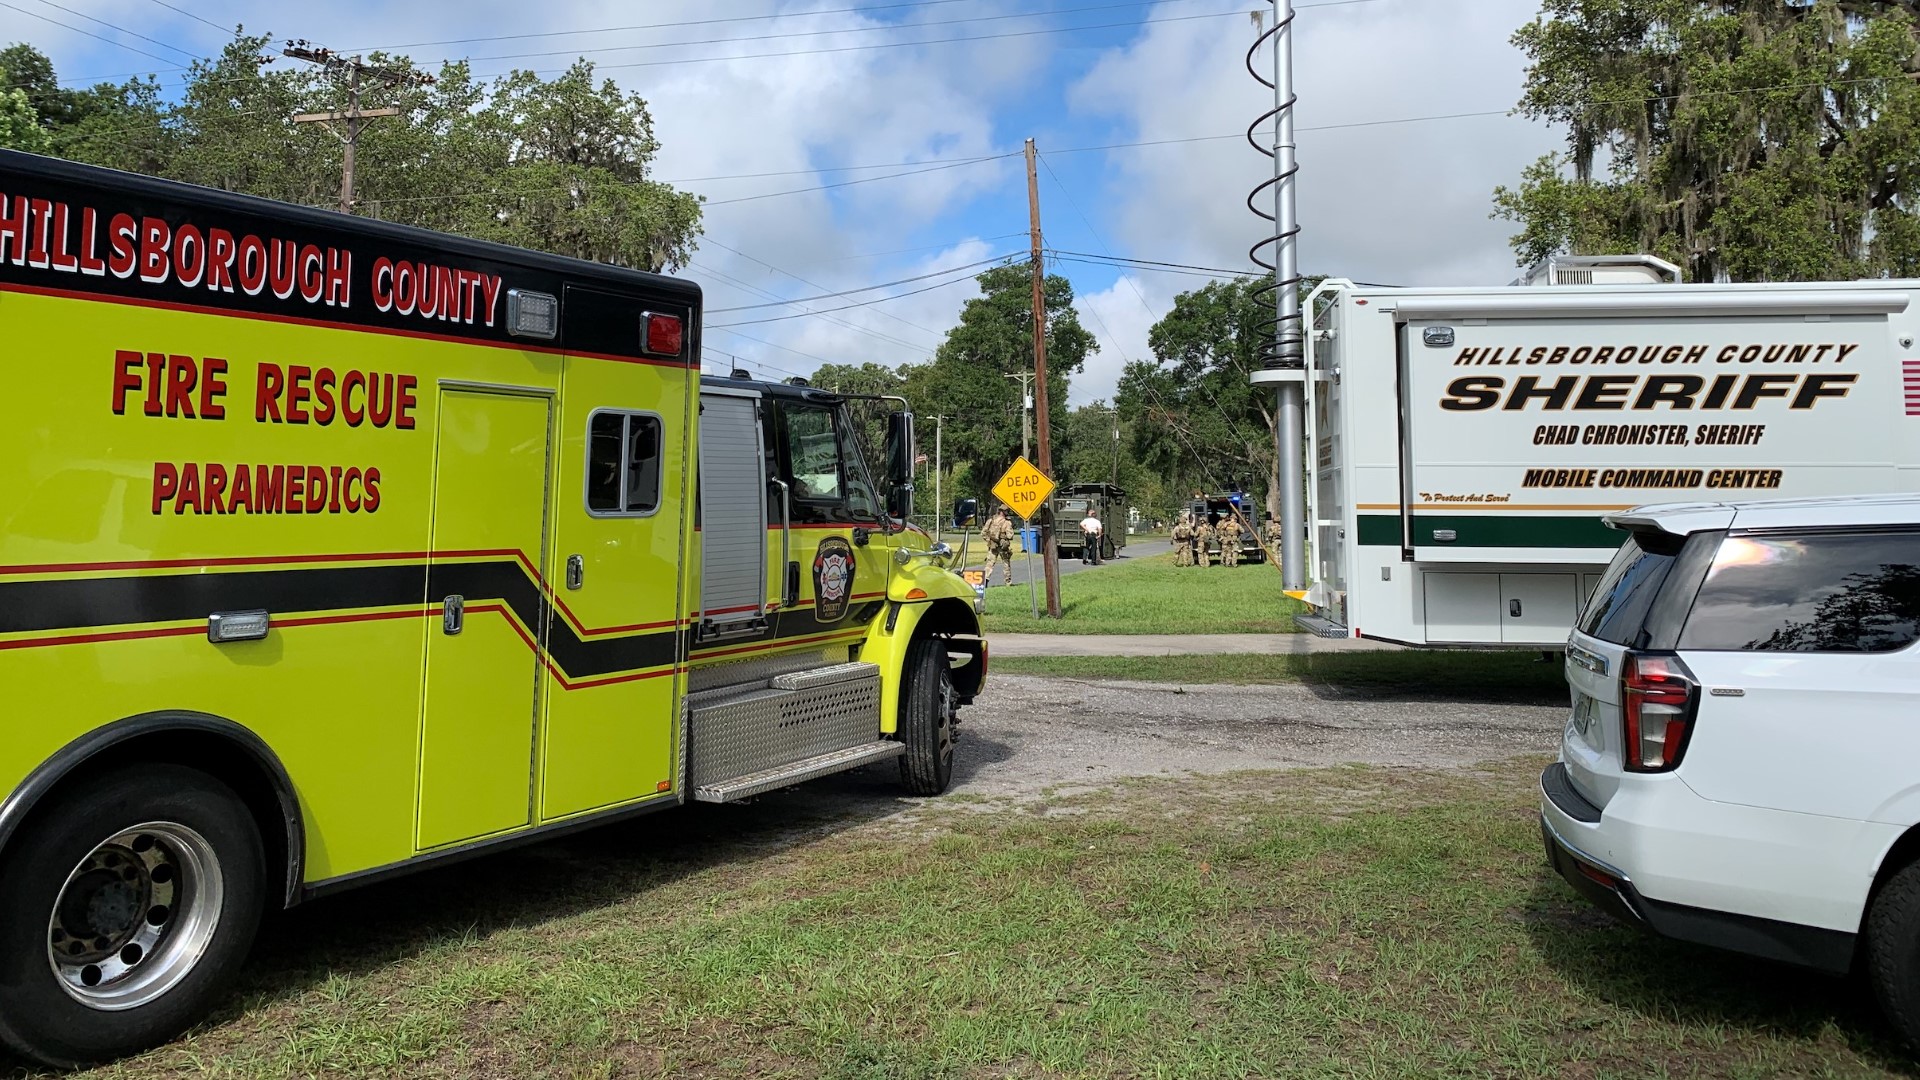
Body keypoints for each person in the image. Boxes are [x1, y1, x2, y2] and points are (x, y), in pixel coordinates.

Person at [981, 505, 1016, 586]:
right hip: (1003, 546)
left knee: (990, 563)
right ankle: (1008, 582)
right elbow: (1010, 536)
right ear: (1004, 512)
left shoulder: (991, 520)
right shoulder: (1007, 522)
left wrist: (989, 540)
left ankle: (985, 580)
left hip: (993, 545)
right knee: (1006, 563)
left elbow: (983, 533)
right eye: (1007, 511)